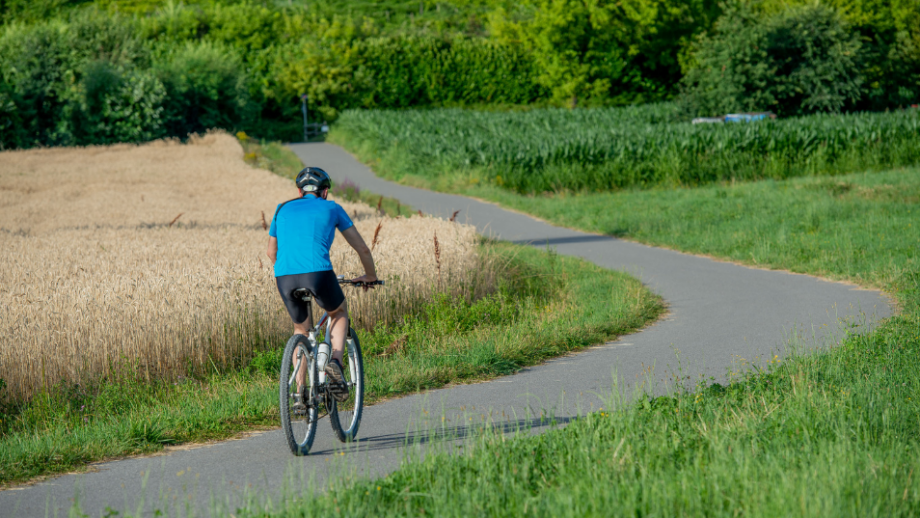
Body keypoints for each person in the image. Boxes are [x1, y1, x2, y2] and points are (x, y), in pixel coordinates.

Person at [266, 167, 377, 404]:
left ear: (299, 190)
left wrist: (291, 269)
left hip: (284, 276)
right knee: (337, 311)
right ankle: (335, 362)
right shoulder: (332, 208)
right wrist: (369, 275)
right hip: (318, 273)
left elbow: (270, 252)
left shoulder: (281, 208)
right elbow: (363, 249)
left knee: (301, 330)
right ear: (325, 191)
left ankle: (299, 394)